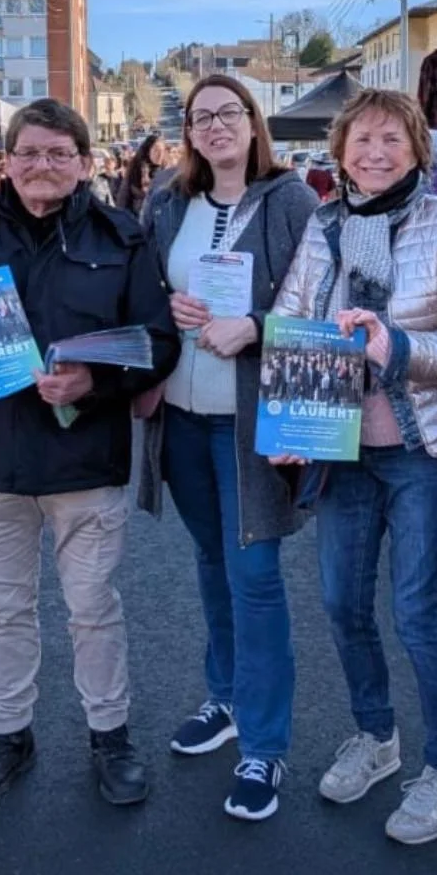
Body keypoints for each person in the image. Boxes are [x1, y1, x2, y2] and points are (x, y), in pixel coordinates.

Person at [0, 99, 180, 810]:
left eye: (60, 154)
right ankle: (8, 736)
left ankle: (109, 736)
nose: (43, 166)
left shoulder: (123, 238)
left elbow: (158, 344)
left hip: (84, 456)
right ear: (6, 161)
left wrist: (94, 382)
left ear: (86, 165)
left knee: (93, 609)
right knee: (3, 612)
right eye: (29, 153)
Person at [272, 88, 437, 845]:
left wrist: (395, 347)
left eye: (391, 139)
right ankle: (375, 735)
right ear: (338, 153)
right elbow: (294, 323)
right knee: (340, 603)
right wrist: (289, 415)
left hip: (423, 446)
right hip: (341, 448)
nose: (374, 152)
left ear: (417, 151)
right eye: (360, 139)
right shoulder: (324, 224)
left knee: (418, 616)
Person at [139, 74, 317, 822]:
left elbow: (324, 303)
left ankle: (265, 745)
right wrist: (165, 303)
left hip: (250, 421)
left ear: (253, 123)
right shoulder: (166, 203)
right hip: (181, 415)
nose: (214, 126)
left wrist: (258, 327)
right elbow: (141, 290)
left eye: (228, 113)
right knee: (212, 563)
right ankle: (227, 697)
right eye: (200, 116)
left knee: (256, 575)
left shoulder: (291, 200)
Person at [117, 131, 166, 216]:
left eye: (162, 150)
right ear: (148, 151)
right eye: (156, 150)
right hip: (136, 220)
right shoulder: (135, 169)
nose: (160, 154)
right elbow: (123, 199)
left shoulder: (166, 172)